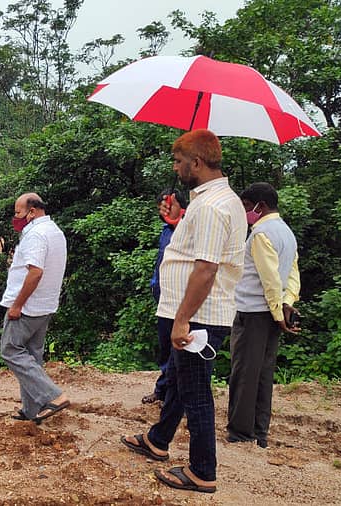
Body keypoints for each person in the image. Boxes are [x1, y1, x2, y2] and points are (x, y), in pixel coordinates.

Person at [121, 129, 246, 494]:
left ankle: (202, 471)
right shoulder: (213, 201)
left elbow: (205, 269)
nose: (176, 169)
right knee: (178, 379)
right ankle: (158, 439)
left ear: (197, 162)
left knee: (195, 392)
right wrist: (178, 221)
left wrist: (181, 320)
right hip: (198, 312)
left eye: (178, 162)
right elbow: (198, 248)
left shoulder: (211, 207)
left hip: (198, 316)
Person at [227, 182, 300, 449]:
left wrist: (277, 310)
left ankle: (240, 432)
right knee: (263, 373)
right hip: (272, 313)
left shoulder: (260, 234)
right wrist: (286, 303)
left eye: (247, 207)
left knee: (245, 372)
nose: (246, 213)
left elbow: (269, 278)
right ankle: (260, 431)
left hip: (254, 312)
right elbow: (292, 274)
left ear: (261, 206)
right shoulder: (287, 233)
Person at [0, 192, 70, 424]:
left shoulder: (36, 235)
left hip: (28, 307)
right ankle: (31, 411)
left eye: (18, 213)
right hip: (45, 305)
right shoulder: (54, 231)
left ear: (32, 211)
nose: (16, 218)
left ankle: (53, 396)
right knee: (32, 355)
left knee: (10, 350)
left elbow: (36, 272)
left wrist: (17, 305)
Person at [142, 190, 187, 406]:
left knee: (180, 351)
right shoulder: (165, 230)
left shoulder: (188, 228)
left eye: (168, 205)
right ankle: (162, 390)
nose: (163, 210)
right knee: (165, 349)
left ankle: (175, 397)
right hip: (163, 297)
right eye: (161, 206)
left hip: (182, 300)